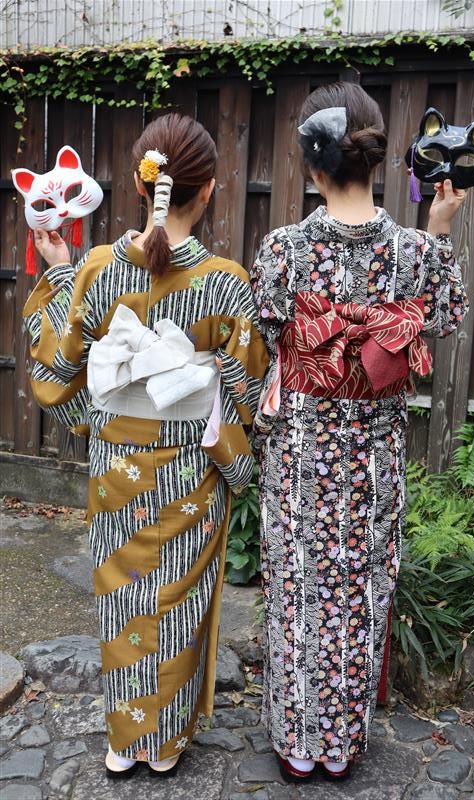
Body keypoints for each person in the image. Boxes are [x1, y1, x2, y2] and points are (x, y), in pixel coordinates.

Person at [23, 113, 269, 778]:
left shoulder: (99, 269)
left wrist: (59, 274)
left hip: (117, 466)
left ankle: (123, 740)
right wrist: (230, 443)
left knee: (122, 594)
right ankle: (163, 744)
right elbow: (246, 386)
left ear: (139, 184)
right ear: (208, 188)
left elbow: (58, 368)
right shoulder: (225, 281)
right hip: (191, 466)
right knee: (177, 597)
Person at [250, 82, 468, 782]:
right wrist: (439, 230)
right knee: (358, 588)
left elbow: (267, 331)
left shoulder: (283, 249)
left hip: (302, 450)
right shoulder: (413, 250)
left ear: (311, 164)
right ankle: (341, 745)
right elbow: (447, 316)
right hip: (373, 453)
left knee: (297, 589)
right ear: (377, 158)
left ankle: (299, 743)